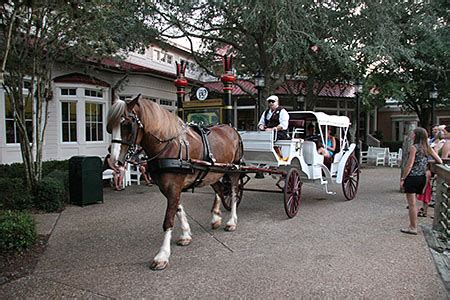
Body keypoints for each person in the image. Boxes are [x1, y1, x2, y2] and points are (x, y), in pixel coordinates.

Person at [400, 127, 442, 235]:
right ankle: (413, 225)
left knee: (412, 204)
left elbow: (409, 165)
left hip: (412, 177)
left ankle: (413, 226)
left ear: (417, 135)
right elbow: (439, 160)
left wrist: (403, 178)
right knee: (416, 202)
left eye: (413, 134)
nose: (412, 135)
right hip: (422, 177)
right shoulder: (427, 148)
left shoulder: (414, 148)